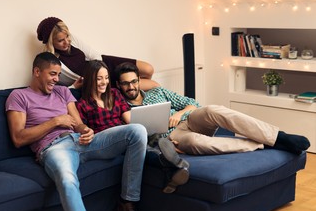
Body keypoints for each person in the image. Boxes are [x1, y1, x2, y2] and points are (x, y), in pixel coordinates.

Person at [5, 52, 157, 211]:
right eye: (52, 74)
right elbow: (18, 138)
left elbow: (78, 124)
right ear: (37, 71)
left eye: (58, 75)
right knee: (68, 180)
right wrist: (55, 121)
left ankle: (128, 204)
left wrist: (86, 130)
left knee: (137, 130)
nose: (56, 79)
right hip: (54, 148)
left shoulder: (62, 91)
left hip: (82, 142)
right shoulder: (19, 96)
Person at [115, 62, 311, 156]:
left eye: (134, 82)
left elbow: (194, 103)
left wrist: (179, 113)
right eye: (126, 84)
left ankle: (280, 137)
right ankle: (262, 144)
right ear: (118, 85)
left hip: (188, 121)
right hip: (173, 138)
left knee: (212, 110)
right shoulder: (122, 108)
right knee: (193, 141)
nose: (131, 87)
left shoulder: (158, 92)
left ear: (140, 80)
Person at [76, 60, 190, 194]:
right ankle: (173, 162)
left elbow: (129, 119)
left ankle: (170, 164)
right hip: (107, 140)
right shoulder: (82, 104)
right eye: (99, 79)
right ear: (89, 80)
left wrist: (148, 128)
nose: (104, 82)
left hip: (125, 134)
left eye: (106, 78)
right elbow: (82, 130)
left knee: (144, 139)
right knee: (138, 140)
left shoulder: (114, 94)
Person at [36, 17, 160, 91]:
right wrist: (78, 85)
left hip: (103, 63)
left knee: (148, 69)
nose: (67, 42)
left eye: (67, 36)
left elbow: (95, 55)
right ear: (50, 42)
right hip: (98, 80)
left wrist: (100, 69)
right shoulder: (50, 60)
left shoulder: (71, 38)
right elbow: (55, 88)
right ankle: (132, 95)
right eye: (60, 40)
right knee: (154, 86)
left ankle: (134, 93)